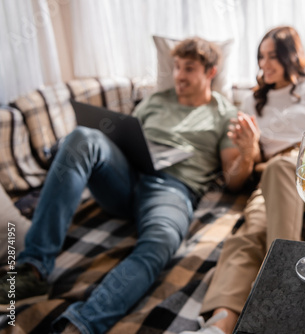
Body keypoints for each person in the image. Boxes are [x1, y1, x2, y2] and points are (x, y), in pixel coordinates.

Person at [0, 37, 258, 334]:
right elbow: (124, 137)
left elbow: (234, 180)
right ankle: (32, 269)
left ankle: (79, 325)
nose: (179, 76)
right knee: (82, 137)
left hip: (172, 188)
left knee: (160, 241)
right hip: (126, 176)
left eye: (188, 69)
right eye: (176, 67)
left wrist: (248, 153)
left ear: (210, 73)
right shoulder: (156, 100)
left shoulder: (224, 114)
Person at [180, 26, 305, 334]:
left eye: (272, 56)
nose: (264, 64)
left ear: (290, 56)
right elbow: (238, 178)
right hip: (271, 175)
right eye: (260, 57)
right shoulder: (251, 103)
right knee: (248, 232)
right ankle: (218, 325)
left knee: (281, 167)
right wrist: (249, 151)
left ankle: (283, 297)